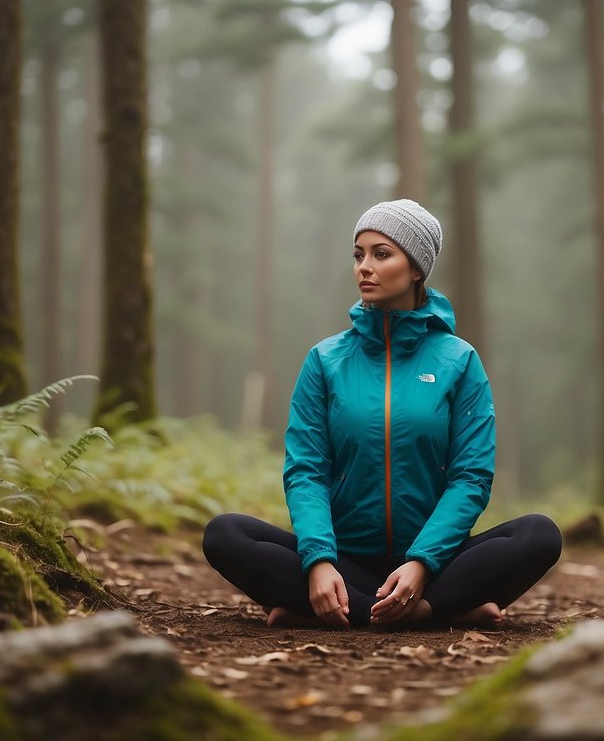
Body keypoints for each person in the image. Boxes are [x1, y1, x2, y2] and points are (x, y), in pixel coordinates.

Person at [203, 199, 562, 628]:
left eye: (381, 254)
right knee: (225, 533)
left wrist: (422, 562)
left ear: (416, 269)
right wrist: (318, 561)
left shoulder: (459, 360)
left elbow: (471, 477)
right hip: (345, 561)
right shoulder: (325, 360)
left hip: (436, 562)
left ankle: (337, 611)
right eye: (358, 255)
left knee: (539, 534)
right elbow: (306, 471)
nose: (364, 267)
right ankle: (436, 611)